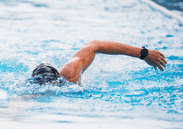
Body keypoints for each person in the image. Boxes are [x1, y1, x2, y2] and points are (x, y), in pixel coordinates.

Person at [31, 40, 168, 85]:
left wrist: (143, 53)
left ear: (61, 78)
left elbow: (95, 45)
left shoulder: (70, 73)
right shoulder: (30, 91)